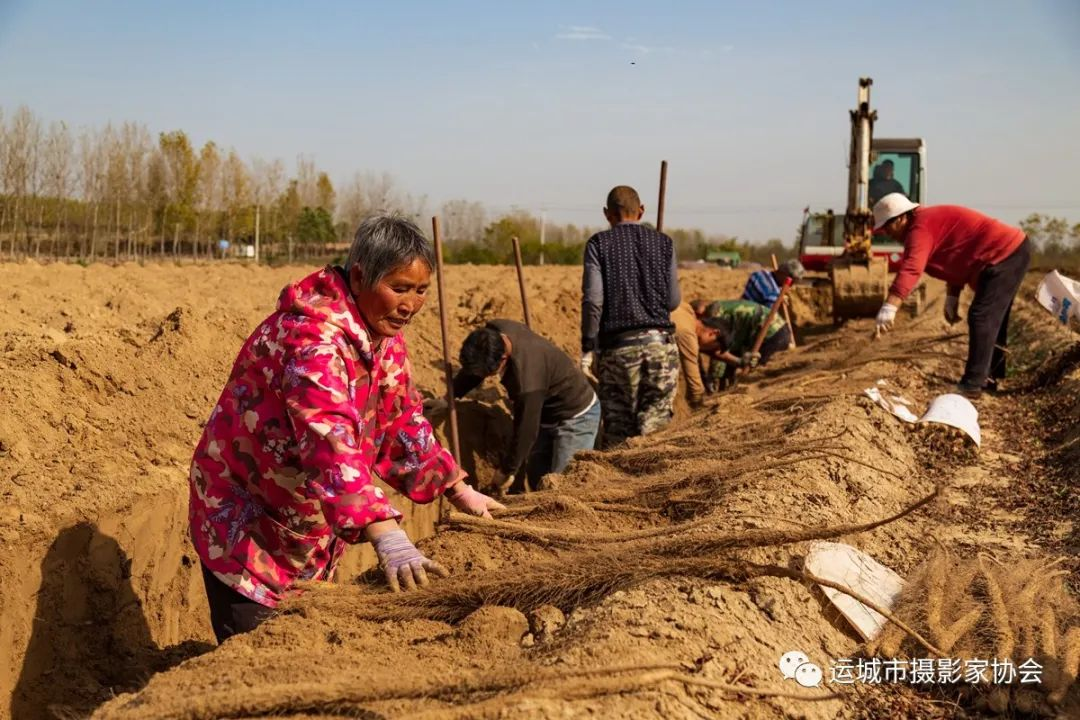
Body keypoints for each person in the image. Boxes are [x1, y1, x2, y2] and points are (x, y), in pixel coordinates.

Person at [188, 212, 504, 643]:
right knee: (258, 652)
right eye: (399, 288)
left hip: (303, 522)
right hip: (247, 526)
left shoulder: (381, 336)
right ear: (359, 277)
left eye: (421, 291)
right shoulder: (311, 341)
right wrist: (385, 532)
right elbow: (329, 440)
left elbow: (400, 419)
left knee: (301, 644)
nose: (410, 305)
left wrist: (455, 487)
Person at [872, 194, 1030, 398]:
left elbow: (911, 268)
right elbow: (958, 257)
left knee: (982, 316)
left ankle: (973, 384)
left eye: (887, 226)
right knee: (991, 319)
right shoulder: (924, 223)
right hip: (1009, 252)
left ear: (901, 218)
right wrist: (952, 296)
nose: (886, 233)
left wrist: (890, 305)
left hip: (1004, 253)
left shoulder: (919, 228)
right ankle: (989, 377)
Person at [580, 185, 681, 447]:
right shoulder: (664, 243)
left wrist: (588, 345)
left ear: (607, 214)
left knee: (618, 430)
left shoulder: (598, 244)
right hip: (661, 349)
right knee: (655, 431)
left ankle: (615, 486)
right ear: (642, 210)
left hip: (617, 351)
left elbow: (593, 300)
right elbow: (673, 301)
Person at [451, 320, 600, 494]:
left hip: (577, 415)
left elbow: (526, 431)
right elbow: (478, 367)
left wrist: (506, 471)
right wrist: (450, 396)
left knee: (563, 488)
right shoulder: (495, 332)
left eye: (489, 373)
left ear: (503, 359)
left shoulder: (526, 382)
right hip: (546, 411)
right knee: (537, 476)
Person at [699, 300, 792, 389]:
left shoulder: (713, 314)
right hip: (775, 330)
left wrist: (714, 376)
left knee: (758, 373)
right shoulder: (722, 309)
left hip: (771, 332)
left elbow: (717, 349)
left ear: (698, 313)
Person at [670, 300, 707, 409]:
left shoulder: (685, 307)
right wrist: (697, 399)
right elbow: (691, 369)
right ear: (713, 332)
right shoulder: (687, 333)